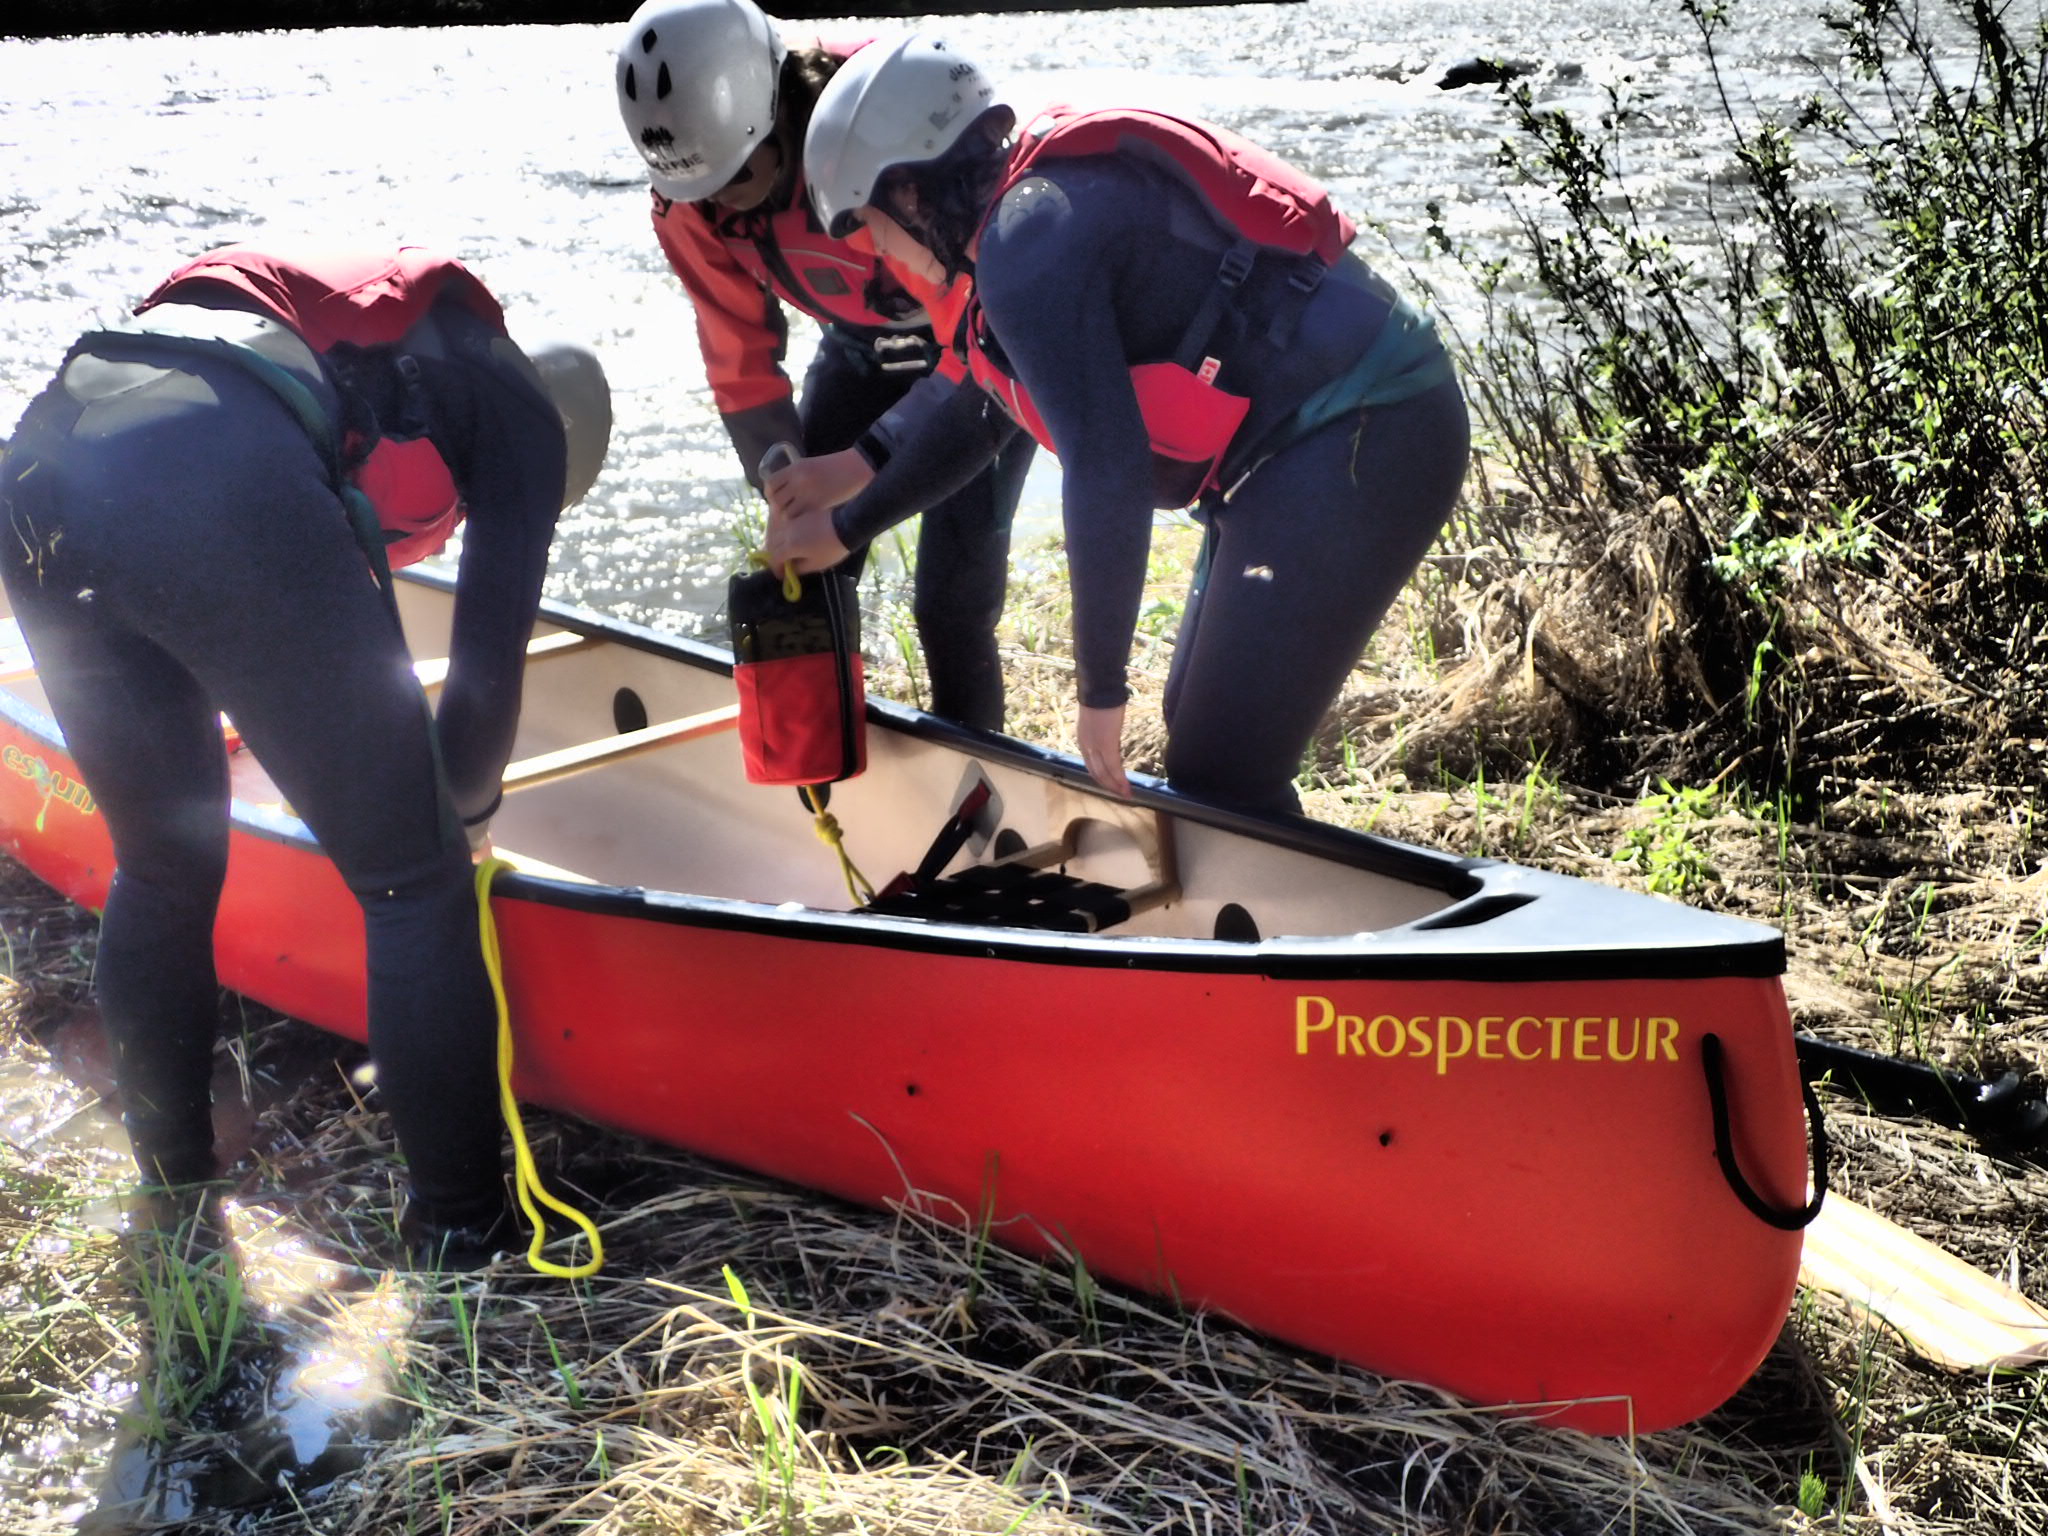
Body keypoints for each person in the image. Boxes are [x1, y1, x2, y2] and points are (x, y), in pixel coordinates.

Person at [0, 244, 612, 1267]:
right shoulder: (518, 421)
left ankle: (176, 1191)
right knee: (412, 884)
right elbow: (482, 684)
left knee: (160, 861)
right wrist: (456, 823)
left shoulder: (387, 336)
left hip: (42, 458)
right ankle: (463, 1237)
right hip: (201, 463)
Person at [770, 37, 1472, 817]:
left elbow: (1108, 471)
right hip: (1311, 444)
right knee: (1203, 739)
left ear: (905, 190)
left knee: (1221, 772)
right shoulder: (1023, 227)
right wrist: (847, 525)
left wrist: (1099, 691)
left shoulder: (1027, 244)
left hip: (1369, 423)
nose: (875, 254)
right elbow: (985, 413)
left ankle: (1316, 930)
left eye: (867, 225)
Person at [614, 0, 1032, 732]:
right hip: (859, 352)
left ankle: (976, 782)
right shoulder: (691, 201)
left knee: (951, 605)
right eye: (695, 190)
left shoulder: (884, 120)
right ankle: (816, 762)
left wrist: (869, 466)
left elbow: (975, 363)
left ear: (780, 117)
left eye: (733, 181)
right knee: (805, 565)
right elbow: (738, 358)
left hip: (983, 361)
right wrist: (781, 469)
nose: (715, 206)